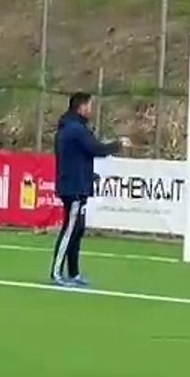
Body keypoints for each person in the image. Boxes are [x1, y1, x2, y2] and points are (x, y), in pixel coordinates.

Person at [52, 92, 128, 287]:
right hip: (74, 186)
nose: (91, 110)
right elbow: (96, 149)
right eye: (89, 106)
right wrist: (117, 145)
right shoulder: (75, 129)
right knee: (70, 229)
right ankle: (57, 273)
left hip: (78, 183)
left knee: (77, 229)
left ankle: (74, 272)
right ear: (81, 107)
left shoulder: (74, 128)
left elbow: (81, 155)